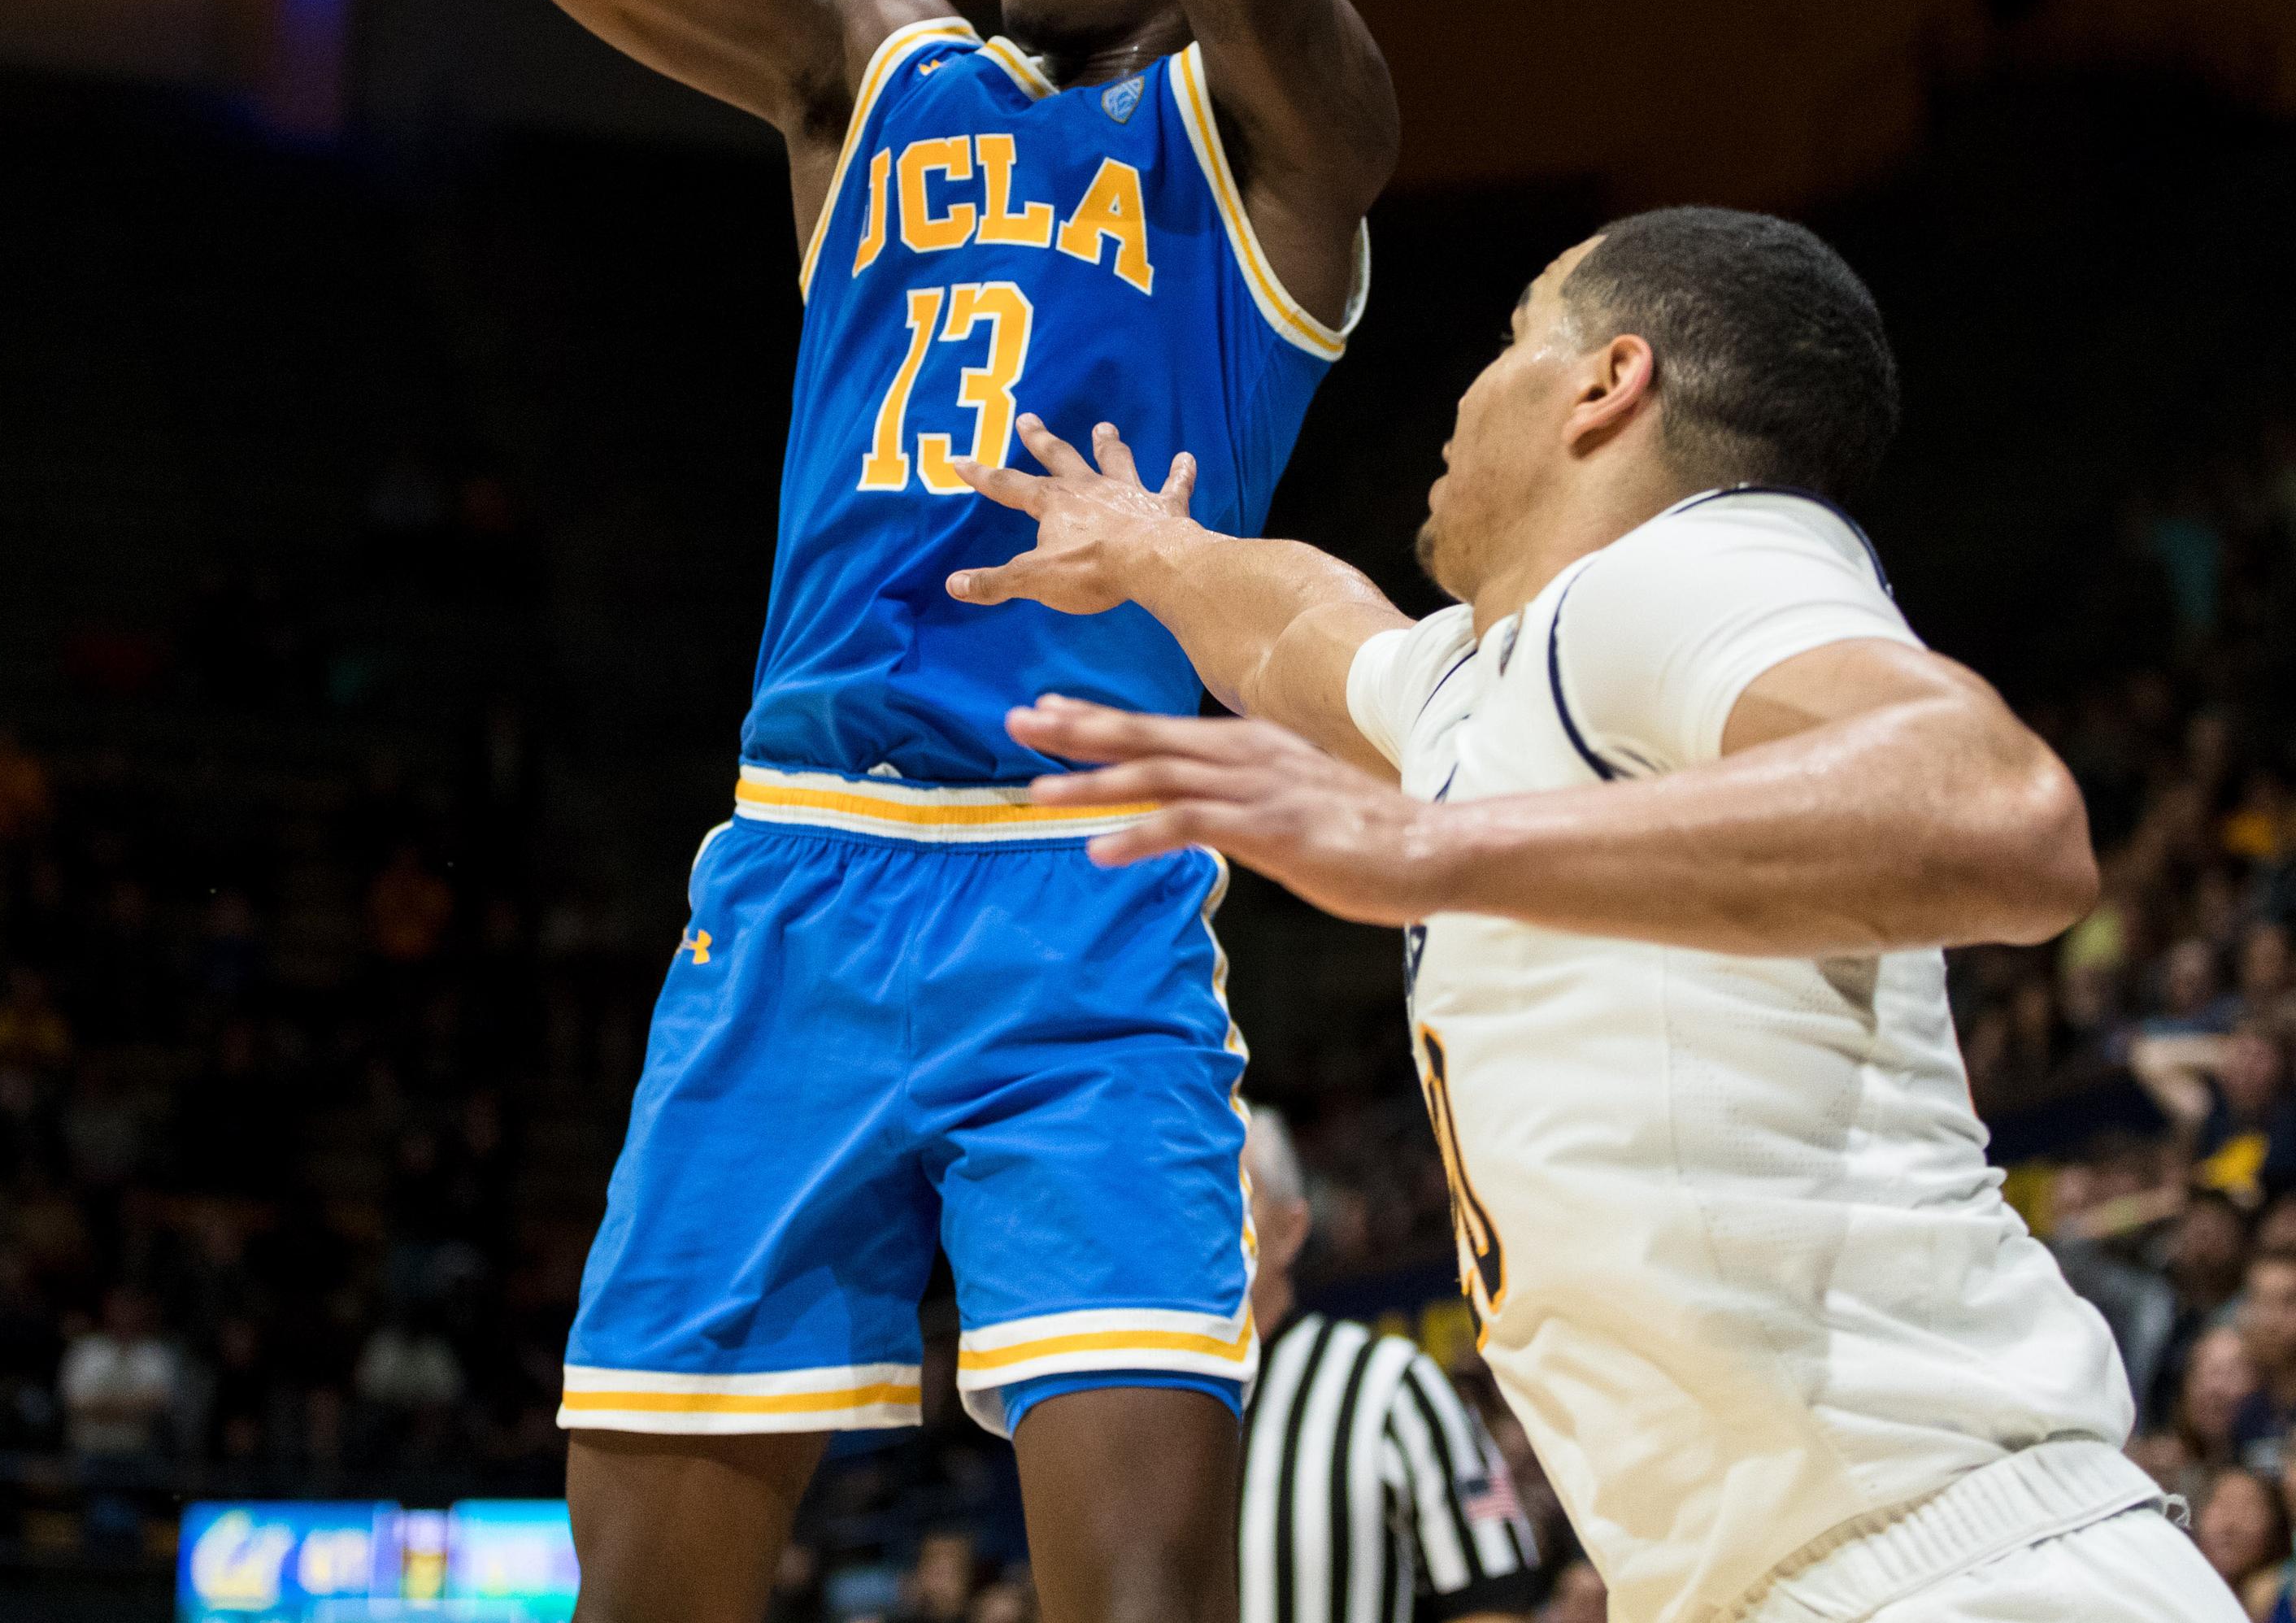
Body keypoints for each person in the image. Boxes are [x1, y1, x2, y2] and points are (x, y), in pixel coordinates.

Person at [420, 0, 1398, 1614]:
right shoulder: (870, 62)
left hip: (1086, 897)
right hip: (797, 870)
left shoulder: (1287, 137)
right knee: (647, 1575)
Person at [945, 207, 2237, 1617]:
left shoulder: (1698, 563)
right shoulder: (1500, 679)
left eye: (1512, 338)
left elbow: (2002, 810)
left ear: (1607, 381)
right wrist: (1145, 546)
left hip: (1948, 1559)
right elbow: (1303, 634)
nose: (1465, 383)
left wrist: (1430, 849)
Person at [1233, 1112, 1537, 1623]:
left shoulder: (1394, 1384)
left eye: (1236, 1190)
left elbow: (1491, 1605)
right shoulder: (1139, 1411)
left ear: (1291, 1229)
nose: (1205, 1218)